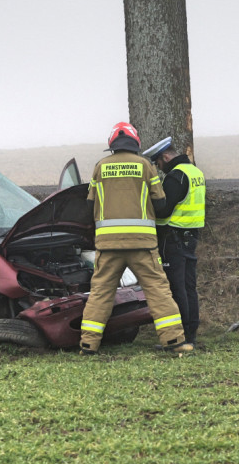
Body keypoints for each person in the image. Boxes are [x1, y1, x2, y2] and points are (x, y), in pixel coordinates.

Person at [79, 122, 193, 356]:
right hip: (142, 244)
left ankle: (88, 345)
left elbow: (89, 205)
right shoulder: (144, 166)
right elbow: (161, 204)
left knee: (100, 292)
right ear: (135, 143)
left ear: (112, 144)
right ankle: (174, 341)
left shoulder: (100, 167)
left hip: (108, 246)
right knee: (158, 290)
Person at [142, 137, 205, 345]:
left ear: (166, 156)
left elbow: (164, 209)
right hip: (190, 236)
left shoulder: (175, 177)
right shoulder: (195, 172)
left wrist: (147, 208)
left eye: (158, 163)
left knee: (176, 289)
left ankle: (180, 336)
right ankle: (191, 334)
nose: (160, 168)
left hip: (173, 238)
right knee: (188, 287)